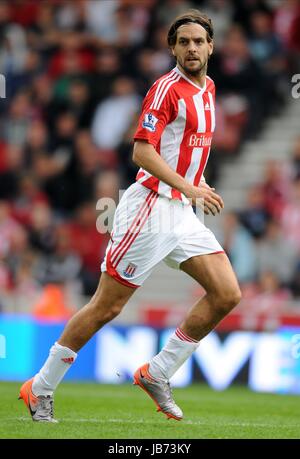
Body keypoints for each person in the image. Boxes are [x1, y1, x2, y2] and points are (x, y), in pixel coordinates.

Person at [19, 9, 241, 423]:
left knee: (227, 294)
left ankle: (157, 372)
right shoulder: (165, 90)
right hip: (151, 209)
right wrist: (187, 187)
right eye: (183, 42)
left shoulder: (208, 88)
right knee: (106, 307)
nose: (191, 48)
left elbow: (183, 148)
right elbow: (142, 150)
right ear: (172, 48)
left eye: (198, 41)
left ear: (211, 46)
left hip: (183, 211)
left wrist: (198, 182)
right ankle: (41, 386)